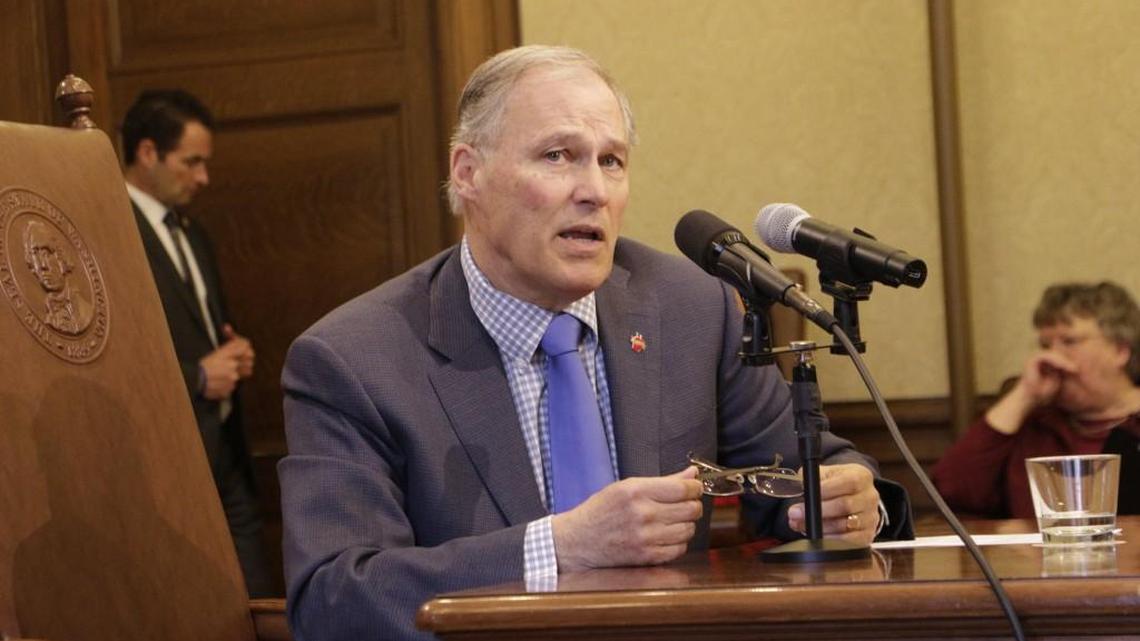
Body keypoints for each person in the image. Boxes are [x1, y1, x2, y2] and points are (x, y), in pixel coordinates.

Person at [278, 45, 910, 641]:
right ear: (468, 173)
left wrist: (854, 503)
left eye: (611, 161)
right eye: (558, 156)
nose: (595, 191)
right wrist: (559, 548)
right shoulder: (354, 359)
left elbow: (807, 476)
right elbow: (335, 599)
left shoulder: (694, 308)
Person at [121, 89, 273, 596]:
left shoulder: (192, 231)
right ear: (147, 153)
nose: (203, 178)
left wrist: (232, 353)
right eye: (191, 162)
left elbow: (206, 328)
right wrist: (199, 376)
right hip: (163, 462)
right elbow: (113, 359)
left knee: (251, 605)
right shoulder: (111, 230)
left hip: (225, 453)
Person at [932, 281, 1140, 518]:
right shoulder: (1034, 423)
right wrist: (1024, 395)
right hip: (1037, 554)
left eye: (1069, 341)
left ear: (1120, 351)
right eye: (1045, 345)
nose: (1051, 356)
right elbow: (950, 489)